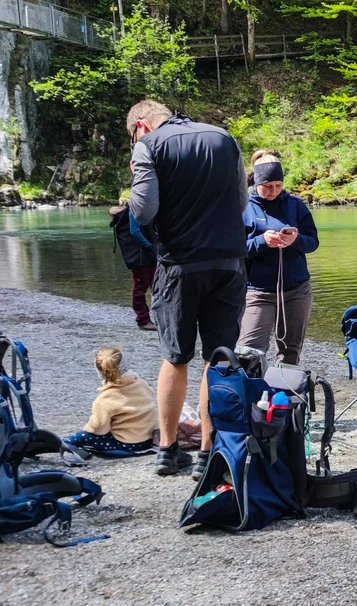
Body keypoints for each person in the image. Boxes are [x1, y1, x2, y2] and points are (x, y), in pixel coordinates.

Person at [126, 99, 249, 478]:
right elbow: (242, 201)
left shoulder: (149, 146)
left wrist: (135, 178)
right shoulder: (224, 138)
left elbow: (144, 211)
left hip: (180, 264)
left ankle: (167, 450)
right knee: (218, 358)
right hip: (228, 263)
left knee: (176, 357)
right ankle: (209, 453)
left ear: (141, 126)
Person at [237, 150, 319, 366]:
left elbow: (313, 242)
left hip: (297, 290)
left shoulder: (296, 205)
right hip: (257, 292)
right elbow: (234, 250)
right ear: (256, 182)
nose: (273, 191)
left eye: (278, 185)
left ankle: (284, 388)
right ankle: (252, 387)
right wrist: (262, 241)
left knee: (290, 352)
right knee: (248, 352)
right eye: (267, 186)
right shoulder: (243, 207)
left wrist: (296, 240)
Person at [62, 348, 156, 457]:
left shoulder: (105, 399)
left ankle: (64, 442)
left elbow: (99, 429)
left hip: (127, 443)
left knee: (84, 436)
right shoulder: (142, 385)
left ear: (100, 372)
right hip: (148, 439)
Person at [108, 205, 157, 331]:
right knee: (143, 287)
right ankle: (143, 320)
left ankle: (155, 318)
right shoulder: (134, 210)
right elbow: (134, 231)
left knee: (154, 285)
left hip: (144, 254)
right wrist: (149, 246)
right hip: (141, 255)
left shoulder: (137, 208)